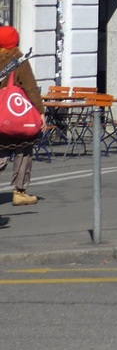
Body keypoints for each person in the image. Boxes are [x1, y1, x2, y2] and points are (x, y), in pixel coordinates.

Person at [0, 26, 43, 217]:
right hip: (17, 117)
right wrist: (40, 112)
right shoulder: (19, 60)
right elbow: (30, 87)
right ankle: (20, 192)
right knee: (24, 150)